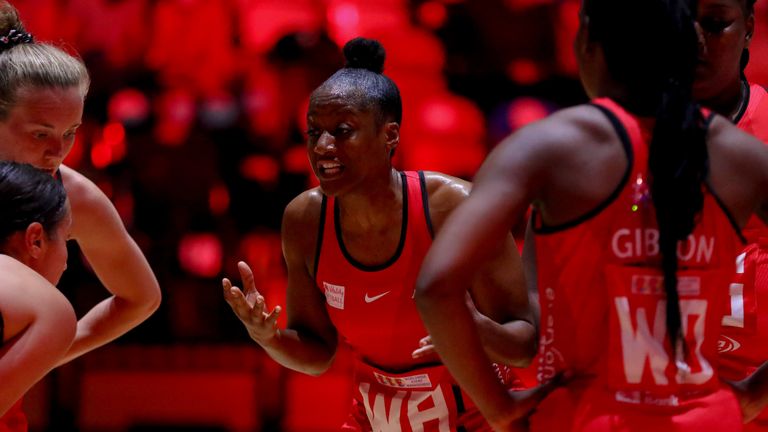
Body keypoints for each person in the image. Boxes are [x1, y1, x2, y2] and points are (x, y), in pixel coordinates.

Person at [415, 0, 768, 430]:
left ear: (586, 42)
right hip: (707, 416)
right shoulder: (742, 155)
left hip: (588, 418)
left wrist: (499, 407)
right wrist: (753, 394)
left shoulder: (547, 149)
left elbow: (435, 288)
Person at [223, 37, 536, 431]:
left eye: (342, 131)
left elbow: (524, 346)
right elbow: (318, 352)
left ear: (390, 136)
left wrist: (476, 330)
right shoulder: (303, 219)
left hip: (479, 417)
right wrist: (268, 337)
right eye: (313, 131)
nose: (322, 146)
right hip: (374, 420)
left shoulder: (455, 208)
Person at [0, 1, 161, 428]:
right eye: (40, 133)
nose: (57, 151)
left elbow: (140, 298)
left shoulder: (71, 194)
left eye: (70, 133)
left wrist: (40, 352)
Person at [695, 1, 768, 430]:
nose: (695, 40)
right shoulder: (610, 143)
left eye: (715, 24)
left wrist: (752, 397)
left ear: (749, 29)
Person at [0, 161, 77, 421]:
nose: (67, 263)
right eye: (66, 239)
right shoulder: (51, 307)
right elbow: (145, 298)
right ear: (36, 240)